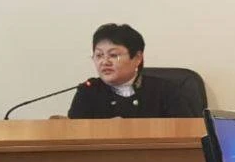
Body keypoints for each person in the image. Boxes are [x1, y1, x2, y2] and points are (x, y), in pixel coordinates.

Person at [68, 23, 197, 119]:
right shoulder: (87, 91)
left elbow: (186, 134)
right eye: (99, 55)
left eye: (113, 55)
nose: (104, 62)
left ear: (137, 58)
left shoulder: (166, 91)